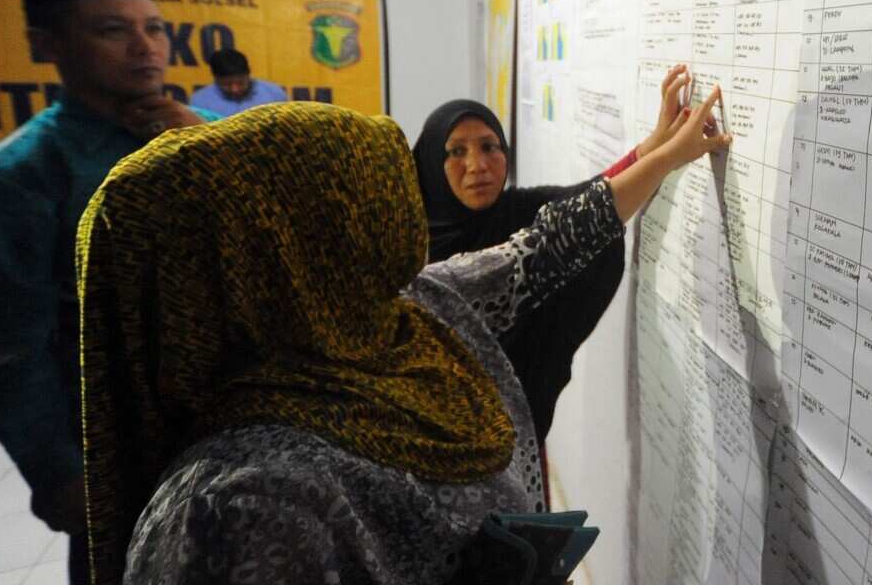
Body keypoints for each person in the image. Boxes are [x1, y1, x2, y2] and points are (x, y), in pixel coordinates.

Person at [77, 91, 729, 584]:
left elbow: (546, 247)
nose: (400, 210)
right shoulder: (231, 510)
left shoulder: (394, 312)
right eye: (371, 195)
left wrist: (660, 154)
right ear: (295, 245)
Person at [0, 0, 216, 585]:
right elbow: (11, 355)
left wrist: (205, 145)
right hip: (119, 447)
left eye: (155, 28)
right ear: (46, 43)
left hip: (225, 423)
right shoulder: (11, 180)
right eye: (112, 29)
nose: (145, 48)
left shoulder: (202, 134)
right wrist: (62, 478)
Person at [411, 65, 695, 451]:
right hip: (446, 457)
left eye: (489, 146)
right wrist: (666, 155)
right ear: (430, 163)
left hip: (520, 445)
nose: (477, 165)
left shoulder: (520, 211)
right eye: (456, 151)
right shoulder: (413, 254)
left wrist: (657, 145)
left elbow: (590, 201)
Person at [188, 47, 288, 116]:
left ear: (248, 74)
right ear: (216, 79)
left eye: (241, 83)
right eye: (226, 84)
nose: (235, 89)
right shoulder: (200, 102)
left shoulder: (274, 94)